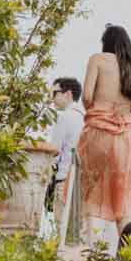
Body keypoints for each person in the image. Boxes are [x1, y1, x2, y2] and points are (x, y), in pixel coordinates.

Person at [79, 24, 131, 247]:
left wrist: (99, 113)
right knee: (122, 205)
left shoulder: (98, 59)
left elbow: (86, 95)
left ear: (105, 43)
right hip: (126, 139)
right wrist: (127, 118)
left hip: (98, 134)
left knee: (92, 198)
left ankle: (88, 259)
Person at [48, 76, 85, 210]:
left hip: (63, 181)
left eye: (55, 93)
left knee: (60, 227)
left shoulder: (64, 117)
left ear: (68, 94)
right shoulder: (84, 117)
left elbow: (54, 151)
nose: (52, 99)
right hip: (81, 182)